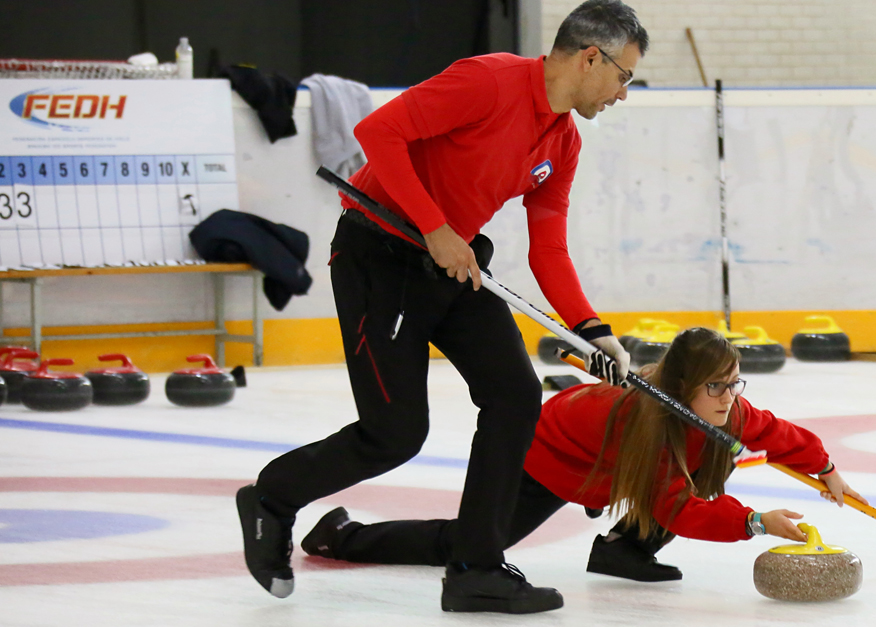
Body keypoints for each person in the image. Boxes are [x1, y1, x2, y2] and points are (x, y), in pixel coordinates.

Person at [236, 0, 649, 615]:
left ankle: (475, 567)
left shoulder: (562, 143)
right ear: (591, 57)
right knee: (395, 434)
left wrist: (595, 332)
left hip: (454, 264)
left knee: (514, 397)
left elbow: (550, 249)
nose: (622, 93)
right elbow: (377, 133)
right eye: (624, 77)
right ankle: (272, 498)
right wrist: (433, 226)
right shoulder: (488, 80)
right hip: (381, 256)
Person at [297, 327, 868, 585]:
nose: (729, 398)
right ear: (684, 386)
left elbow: (780, 433)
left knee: (712, 461)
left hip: (611, 464)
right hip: (549, 455)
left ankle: (623, 552)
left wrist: (826, 470)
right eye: (716, 387)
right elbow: (677, 508)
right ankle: (340, 537)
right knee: (470, 544)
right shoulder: (646, 423)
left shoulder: (726, 412)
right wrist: (755, 522)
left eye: (735, 384)